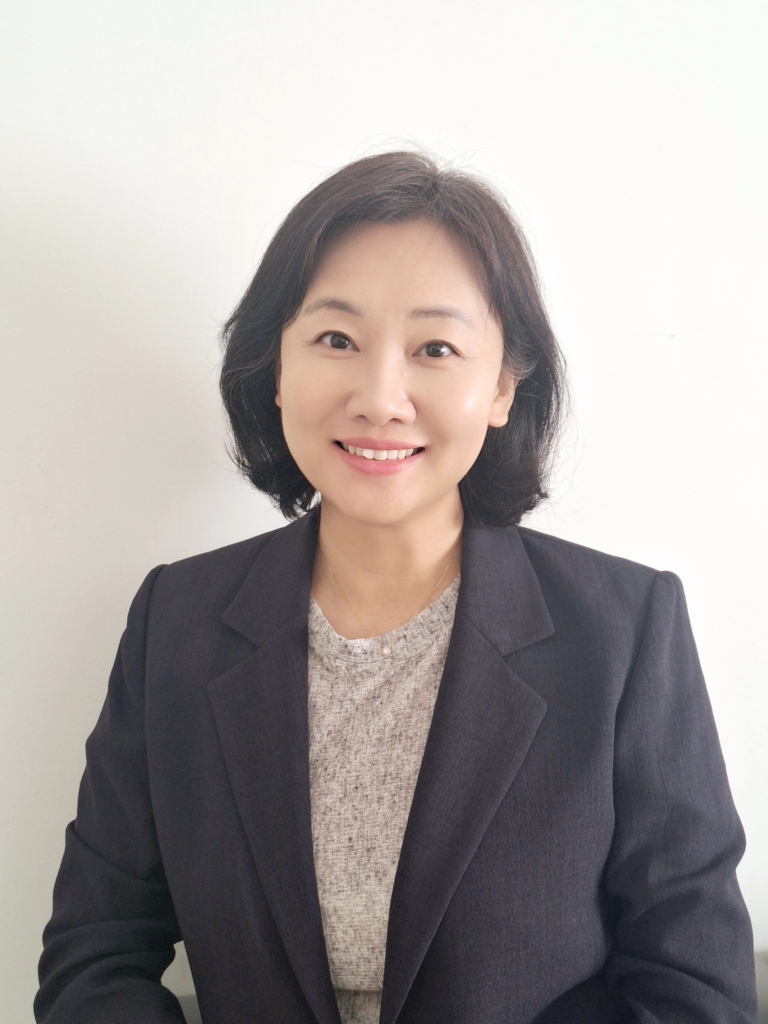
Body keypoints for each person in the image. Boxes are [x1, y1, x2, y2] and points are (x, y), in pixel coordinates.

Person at [35, 152, 759, 1024]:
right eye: (337, 340)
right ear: (275, 367)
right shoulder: (175, 625)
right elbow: (95, 957)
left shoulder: (624, 632)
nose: (381, 398)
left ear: (502, 386)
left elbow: (695, 987)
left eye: (435, 349)